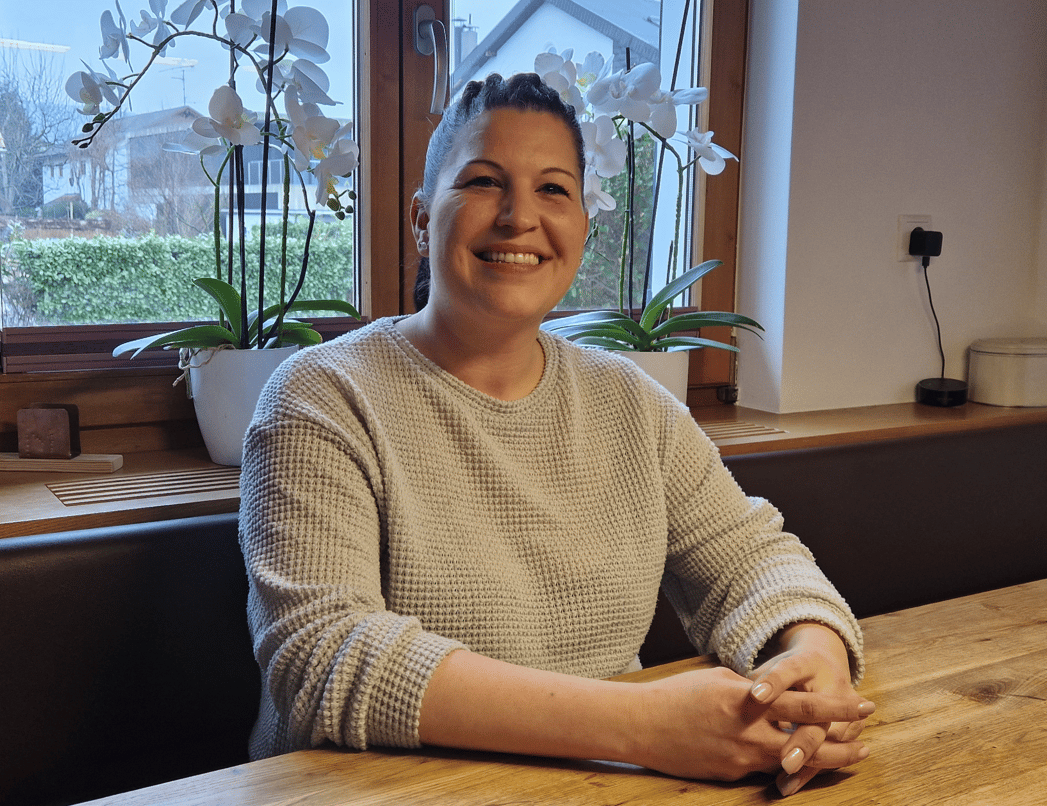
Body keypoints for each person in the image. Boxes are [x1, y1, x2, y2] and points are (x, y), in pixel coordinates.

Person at [239, 72, 871, 798]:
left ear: (582, 228)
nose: (517, 216)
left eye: (552, 189)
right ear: (420, 220)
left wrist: (811, 658)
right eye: (481, 182)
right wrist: (640, 725)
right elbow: (319, 656)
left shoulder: (630, 401)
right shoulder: (322, 393)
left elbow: (751, 560)